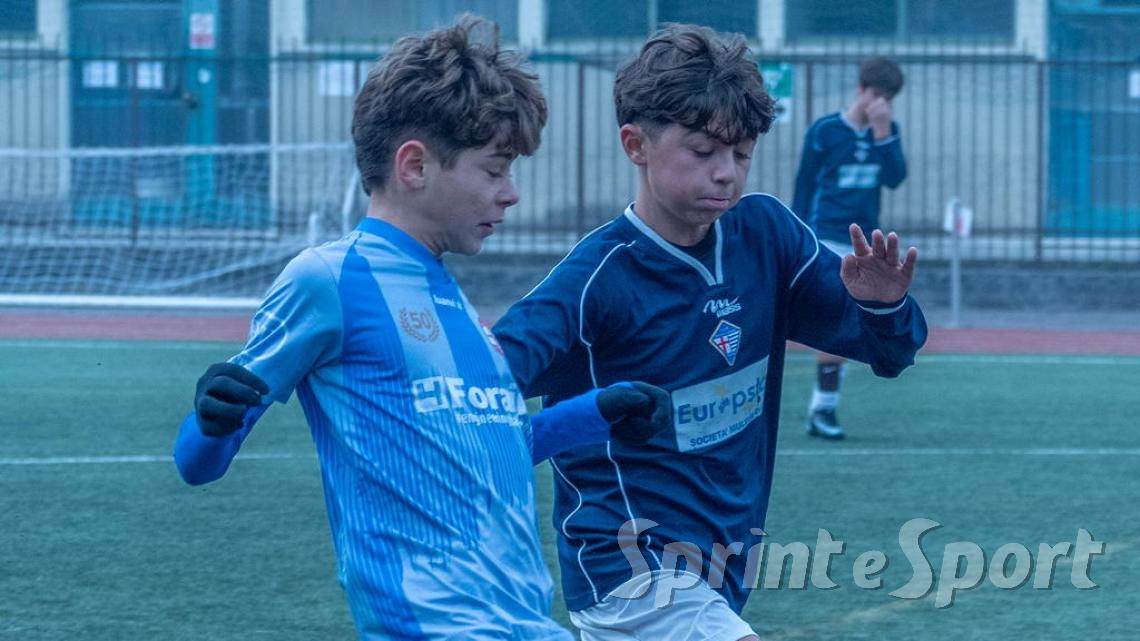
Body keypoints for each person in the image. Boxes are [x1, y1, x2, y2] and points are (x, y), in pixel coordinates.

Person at [172, 16, 670, 640]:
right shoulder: (329, 279)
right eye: (494, 170)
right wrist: (212, 421)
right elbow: (198, 463)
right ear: (414, 166)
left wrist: (598, 412)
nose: (511, 193)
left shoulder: (451, 297)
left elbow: (494, 449)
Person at [492, 25, 926, 641]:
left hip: (721, 565)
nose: (726, 173)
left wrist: (883, 305)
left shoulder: (766, 235)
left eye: (742, 154)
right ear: (635, 144)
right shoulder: (595, 280)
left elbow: (891, 352)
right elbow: (486, 380)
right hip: (629, 570)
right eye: (703, 152)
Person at [791, 56, 907, 440]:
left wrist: (883, 133)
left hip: (864, 243)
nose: (880, 104)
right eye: (876, 95)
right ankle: (822, 408)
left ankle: (822, 409)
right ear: (860, 90)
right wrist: (798, 235)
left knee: (845, 320)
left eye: (888, 98)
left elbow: (895, 178)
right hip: (825, 236)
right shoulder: (824, 131)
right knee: (836, 317)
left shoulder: (887, 132)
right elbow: (805, 184)